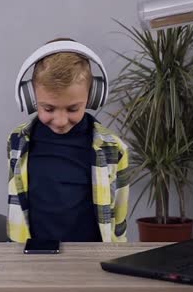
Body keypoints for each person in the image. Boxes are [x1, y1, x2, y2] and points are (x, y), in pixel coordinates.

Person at [7, 38, 129, 243]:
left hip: (91, 256)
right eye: (48, 109)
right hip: (33, 255)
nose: (61, 121)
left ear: (92, 97)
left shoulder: (113, 147)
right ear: (30, 97)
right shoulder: (17, 141)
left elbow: (119, 218)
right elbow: (16, 204)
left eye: (73, 109)